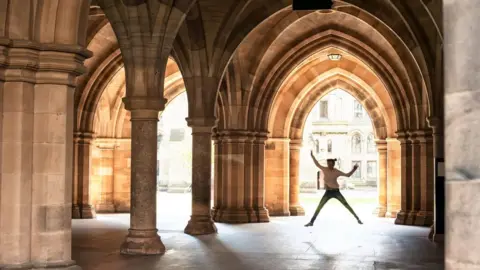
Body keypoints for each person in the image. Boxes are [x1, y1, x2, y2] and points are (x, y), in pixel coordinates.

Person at [305, 150, 363, 226]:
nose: (329, 165)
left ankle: (358, 219)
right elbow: (317, 164)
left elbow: (347, 175)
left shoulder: (336, 171)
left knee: (346, 205)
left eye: (330, 164)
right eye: (328, 164)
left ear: (333, 164)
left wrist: (354, 169)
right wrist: (312, 156)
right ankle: (311, 222)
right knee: (320, 206)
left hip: (336, 192)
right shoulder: (325, 169)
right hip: (328, 192)